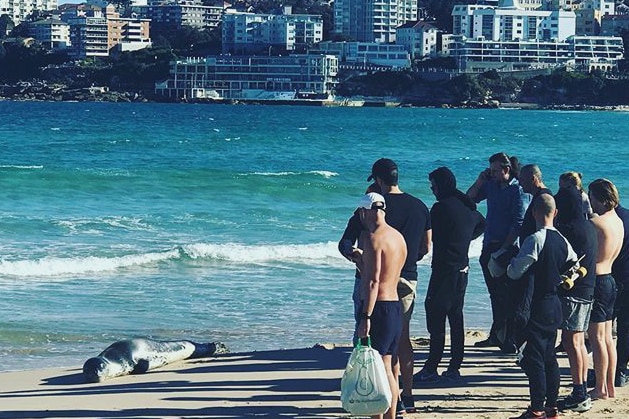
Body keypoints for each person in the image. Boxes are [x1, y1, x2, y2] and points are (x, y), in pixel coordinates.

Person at [365, 158, 431, 412]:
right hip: (408, 275)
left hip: (381, 281)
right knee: (402, 337)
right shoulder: (419, 206)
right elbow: (427, 246)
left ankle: (383, 398)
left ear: (379, 181)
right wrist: (407, 257)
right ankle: (408, 395)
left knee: (380, 343)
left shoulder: (377, 207)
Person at [506, 194, 579, 419]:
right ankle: (551, 407)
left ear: (534, 212)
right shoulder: (563, 240)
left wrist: (510, 262)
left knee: (534, 358)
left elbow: (515, 272)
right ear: (555, 213)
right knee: (549, 357)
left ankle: (537, 408)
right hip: (554, 304)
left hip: (535, 306)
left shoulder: (535, 239)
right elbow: (574, 265)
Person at [415, 167, 485, 383]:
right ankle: (454, 366)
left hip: (444, 269)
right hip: (462, 268)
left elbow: (428, 235)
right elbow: (482, 224)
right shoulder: (467, 207)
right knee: (455, 316)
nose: (432, 188)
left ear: (441, 185)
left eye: (433, 184)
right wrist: (464, 239)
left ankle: (432, 366)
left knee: (435, 314)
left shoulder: (440, 208)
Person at [467, 152, 530, 353]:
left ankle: (510, 338)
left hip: (509, 248)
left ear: (506, 170)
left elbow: (518, 223)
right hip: (488, 245)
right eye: (490, 170)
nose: (492, 174)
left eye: (495, 171)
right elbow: (469, 200)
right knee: (495, 293)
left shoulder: (518, 190)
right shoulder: (491, 185)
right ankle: (497, 334)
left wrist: (504, 249)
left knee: (509, 294)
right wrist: (480, 180)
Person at [354, 192, 407, 419]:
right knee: (389, 367)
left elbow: (374, 281)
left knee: (381, 369)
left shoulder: (375, 239)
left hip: (380, 308)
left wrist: (365, 317)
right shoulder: (397, 237)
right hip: (395, 305)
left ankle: (381, 416)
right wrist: (362, 260)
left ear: (365, 212)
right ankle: (391, 416)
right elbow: (388, 273)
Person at [554, 186, 597, 412]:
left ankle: (579, 392)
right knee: (578, 342)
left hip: (573, 291)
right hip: (588, 288)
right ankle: (580, 391)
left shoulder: (569, 229)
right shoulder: (588, 225)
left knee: (572, 343)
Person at [587, 178, 624, 400]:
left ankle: (600, 387)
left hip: (598, 280)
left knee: (597, 337)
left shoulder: (597, 222)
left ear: (599, 198)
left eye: (591, 196)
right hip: (610, 278)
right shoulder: (617, 220)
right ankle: (608, 386)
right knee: (608, 337)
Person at [338, 182, 382, 341]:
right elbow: (344, 242)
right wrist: (352, 253)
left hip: (387, 276)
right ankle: (361, 350)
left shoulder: (390, 219)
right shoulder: (358, 217)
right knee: (361, 316)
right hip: (363, 273)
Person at [612, 203, 629, 388]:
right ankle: (621, 369)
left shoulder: (609, 220)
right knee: (624, 326)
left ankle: (617, 369)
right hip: (624, 275)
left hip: (614, 276)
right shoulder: (625, 216)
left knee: (605, 326)